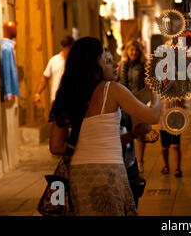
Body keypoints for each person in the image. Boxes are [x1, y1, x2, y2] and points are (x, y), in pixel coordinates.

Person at [49, 37, 161, 216]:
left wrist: (132, 135)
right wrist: (157, 91)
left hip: (78, 175)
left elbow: (56, 147)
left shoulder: (65, 95)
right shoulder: (111, 89)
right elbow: (153, 115)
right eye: (108, 61)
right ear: (94, 67)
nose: (115, 64)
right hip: (108, 173)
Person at [118, 39, 156, 173]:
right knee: (126, 131)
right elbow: (120, 82)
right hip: (125, 100)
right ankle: (129, 160)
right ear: (127, 51)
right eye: (131, 50)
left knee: (139, 132)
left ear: (139, 52)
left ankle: (140, 161)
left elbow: (150, 81)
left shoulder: (144, 65)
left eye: (136, 50)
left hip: (139, 100)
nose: (133, 52)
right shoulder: (123, 65)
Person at [34, 35, 74, 104]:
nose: (71, 50)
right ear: (62, 47)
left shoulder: (76, 61)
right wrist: (37, 93)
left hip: (72, 100)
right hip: (56, 100)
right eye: (69, 48)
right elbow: (45, 78)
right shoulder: (54, 60)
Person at [160, 100, 183, 177]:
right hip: (163, 123)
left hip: (176, 123)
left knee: (176, 146)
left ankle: (177, 168)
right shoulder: (160, 92)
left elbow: (181, 104)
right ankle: (166, 166)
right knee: (164, 147)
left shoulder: (178, 91)